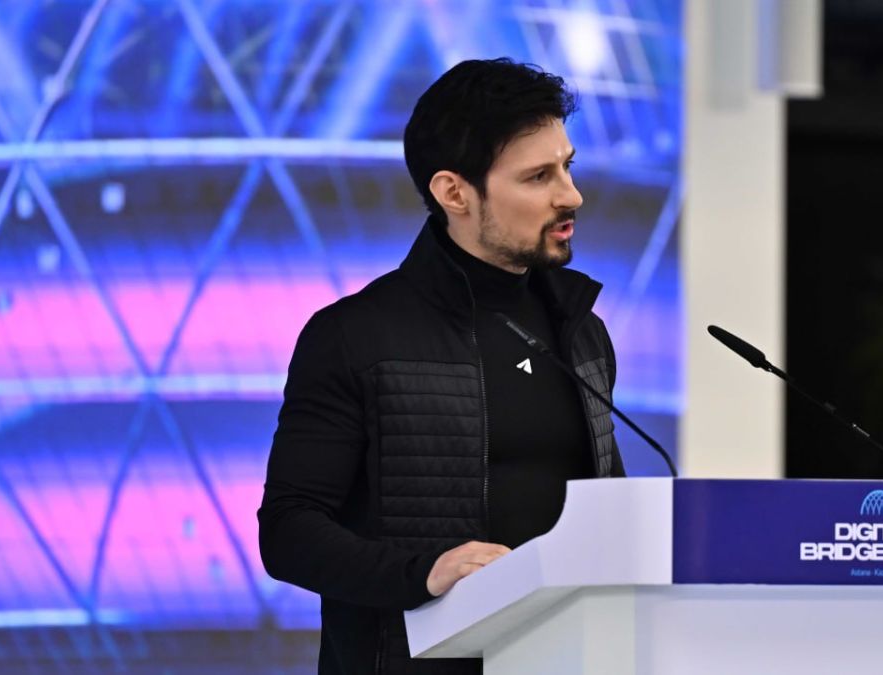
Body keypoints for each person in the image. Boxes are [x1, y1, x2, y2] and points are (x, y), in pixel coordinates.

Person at [258, 57, 625, 674]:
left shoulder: (581, 330)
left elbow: (607, 508)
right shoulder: (354, 335)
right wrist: (422, 573)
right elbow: (288, 533)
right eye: (538, 176)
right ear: (454, 193)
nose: (571, 195)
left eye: (567, 166)